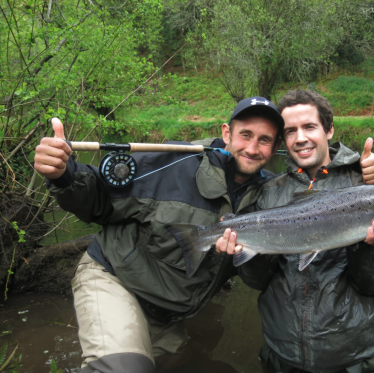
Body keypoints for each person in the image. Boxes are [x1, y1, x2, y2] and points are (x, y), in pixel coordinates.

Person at [34, 97, 286, 373]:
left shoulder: (271, 196)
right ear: (227, 133)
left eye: (264, 140)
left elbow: (259, 277)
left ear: (275, 148)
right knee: (124, 369)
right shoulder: (173, 161)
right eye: (245, 135)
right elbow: (99, 200)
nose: (252, 148)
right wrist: (64, 174)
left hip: (168, 315)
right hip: (114, 279)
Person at [217, 90, 374, 373]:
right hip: (282, 357)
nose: (300, 138)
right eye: (290, 131)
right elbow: (258, 281)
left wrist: (370, 246)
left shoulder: (365, 188)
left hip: (353, 361)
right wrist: (249, 252)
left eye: (309, 127)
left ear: (329, 129)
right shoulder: (268, 193)